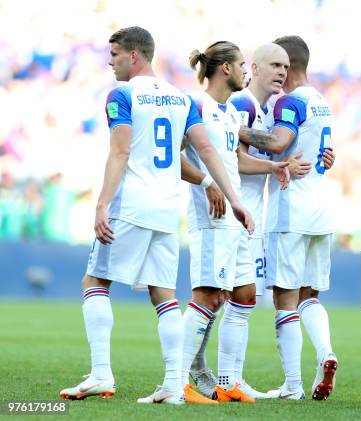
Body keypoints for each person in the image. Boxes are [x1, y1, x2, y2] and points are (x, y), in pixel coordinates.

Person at [59, 27, 251, 405]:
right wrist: (234, 198)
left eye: (113, 53)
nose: (109, 61)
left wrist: (101, 204)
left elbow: (121, 151)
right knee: (163, 295)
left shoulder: (122, 95)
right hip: (167, 210)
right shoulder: (182, 99)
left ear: (134, 56)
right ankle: (171, 385)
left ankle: (101, 373)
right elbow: (208, 150)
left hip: (131, 204)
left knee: (94, 282)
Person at [181, 40, 289, 403]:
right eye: (242, 64)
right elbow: (174, 159)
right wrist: (206, 183)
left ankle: (227, 381)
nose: (245, 70)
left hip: (234, 215)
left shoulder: (227, 113)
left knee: (243, 295)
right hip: (210, 217)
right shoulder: (195, 106)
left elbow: (233, 162)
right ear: (225, 68)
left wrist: (269, 170)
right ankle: (178, 381)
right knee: (208, 297)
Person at [228, 42, 335, 399]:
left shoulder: (291, 101)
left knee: (285, 301)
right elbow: (323, 150)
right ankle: (326, 354)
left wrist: (234, 130)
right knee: (310, 296)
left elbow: (278, 142)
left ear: (288, 67)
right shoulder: (322, 99)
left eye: (280, 65)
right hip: (322, 209)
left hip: (292, 210)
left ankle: (292, 386)